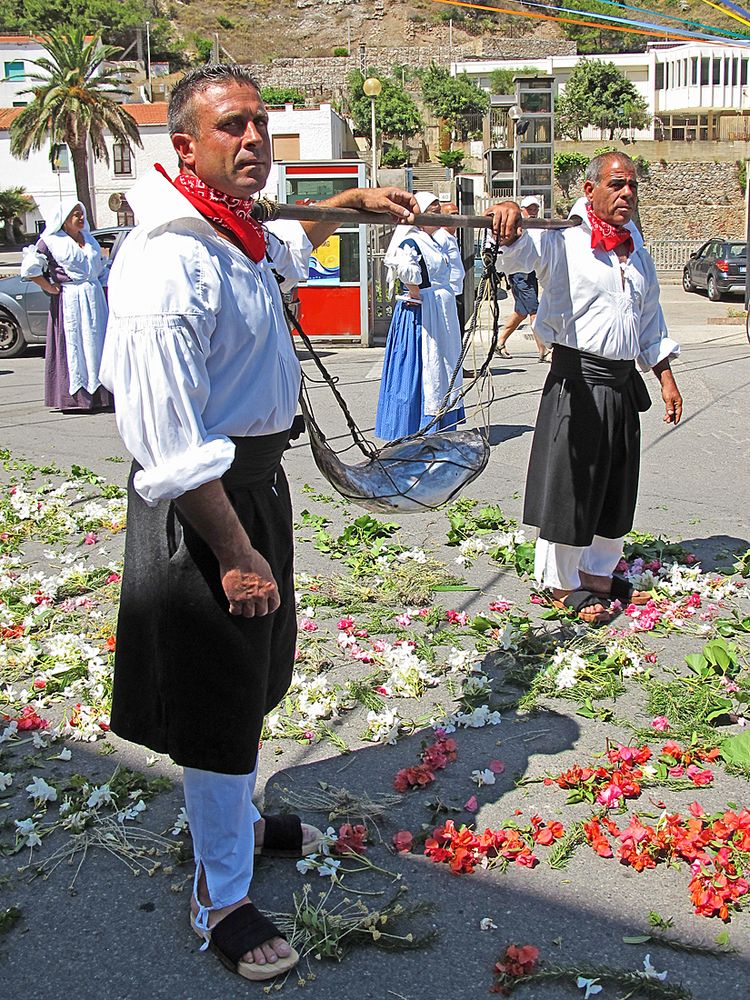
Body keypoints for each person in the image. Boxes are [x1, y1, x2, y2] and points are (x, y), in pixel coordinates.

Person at [99, 64, 418, 982]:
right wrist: (233, 551)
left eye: (260, 126)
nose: (252, 141)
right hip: (203, 504)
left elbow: (291, 244)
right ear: (185, 145)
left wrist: (349, 201)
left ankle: (233, 822)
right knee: (215, 694)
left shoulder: (236, 230)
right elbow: (166, 440)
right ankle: (221, 898)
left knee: (251, 676)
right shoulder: (168, 259)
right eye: (231, 127)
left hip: (254, 489)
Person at [486, 152, 683, 625]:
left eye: (632, 185)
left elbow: (649, 316)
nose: (627, 194)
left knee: (615, 485)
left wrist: (666, 377)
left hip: (620, 382)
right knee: (571, 487)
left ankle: (597, 572)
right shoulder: (561, 235)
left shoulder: (634, 243)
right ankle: (560, 581)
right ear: (589, 189)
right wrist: (509, 220)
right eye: (616, 185)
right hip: (576, 381)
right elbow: (519, 255)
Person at [375, 190, 464, 440]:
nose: (437, 213)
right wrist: (417, 294)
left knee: (443, 365)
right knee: (424, 367)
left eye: (438, 209)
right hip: (423, 314)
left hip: (438, 312)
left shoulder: (434, 239)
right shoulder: (411, 240)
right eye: (432, 210)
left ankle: (439, 426)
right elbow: (405, 268)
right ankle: (414, 428)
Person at [21, 199, 113, 412]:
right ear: (63, 220)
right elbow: (30, 267)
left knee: (96, 342)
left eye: (81, 214)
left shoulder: (89, 239)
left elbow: (100, 269)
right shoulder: (51, 240)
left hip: (94, 298)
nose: (80, 218)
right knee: (76, 345)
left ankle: (101, 396)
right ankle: (76, 398)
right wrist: (50, 287)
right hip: (71, 299)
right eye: (75, 214)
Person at [495, 195, 549, 362]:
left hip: (531, 271)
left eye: (535, 208)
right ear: (522, 210)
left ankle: (500, 341)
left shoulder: (539, 226)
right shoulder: (515, 226)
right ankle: (544, 350)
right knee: (534, 310)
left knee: (521, 312)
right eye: (529, 209)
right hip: (518, 274)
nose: (533, 212)